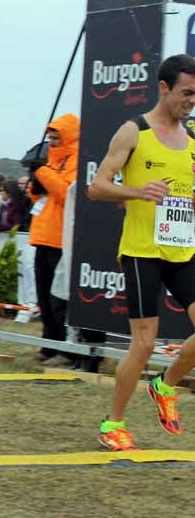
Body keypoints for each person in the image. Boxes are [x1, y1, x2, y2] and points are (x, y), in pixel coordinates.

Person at [88, 54, 195, 451]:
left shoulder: (193, 142)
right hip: (141, 251)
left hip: (182, 249)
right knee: (145, 343)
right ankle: (112, 422)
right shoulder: (134, 132)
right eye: (186, 92)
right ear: (164, 88)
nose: (192, 100)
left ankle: (164, 386)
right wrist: (137, 190)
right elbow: (96, 187)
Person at [28, 113, 80, 367]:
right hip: (43, 236)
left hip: (63, 239)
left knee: (59, 298)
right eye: (50, 135)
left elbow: (66, 193)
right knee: (43, 297)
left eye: (57, 134)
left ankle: (67, 349)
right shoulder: (51, 160)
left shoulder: (78, 159)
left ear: (69, 134)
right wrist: (33, 186)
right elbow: (42, 199)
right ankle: (49, 343)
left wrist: (43, 174)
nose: (52, 139)